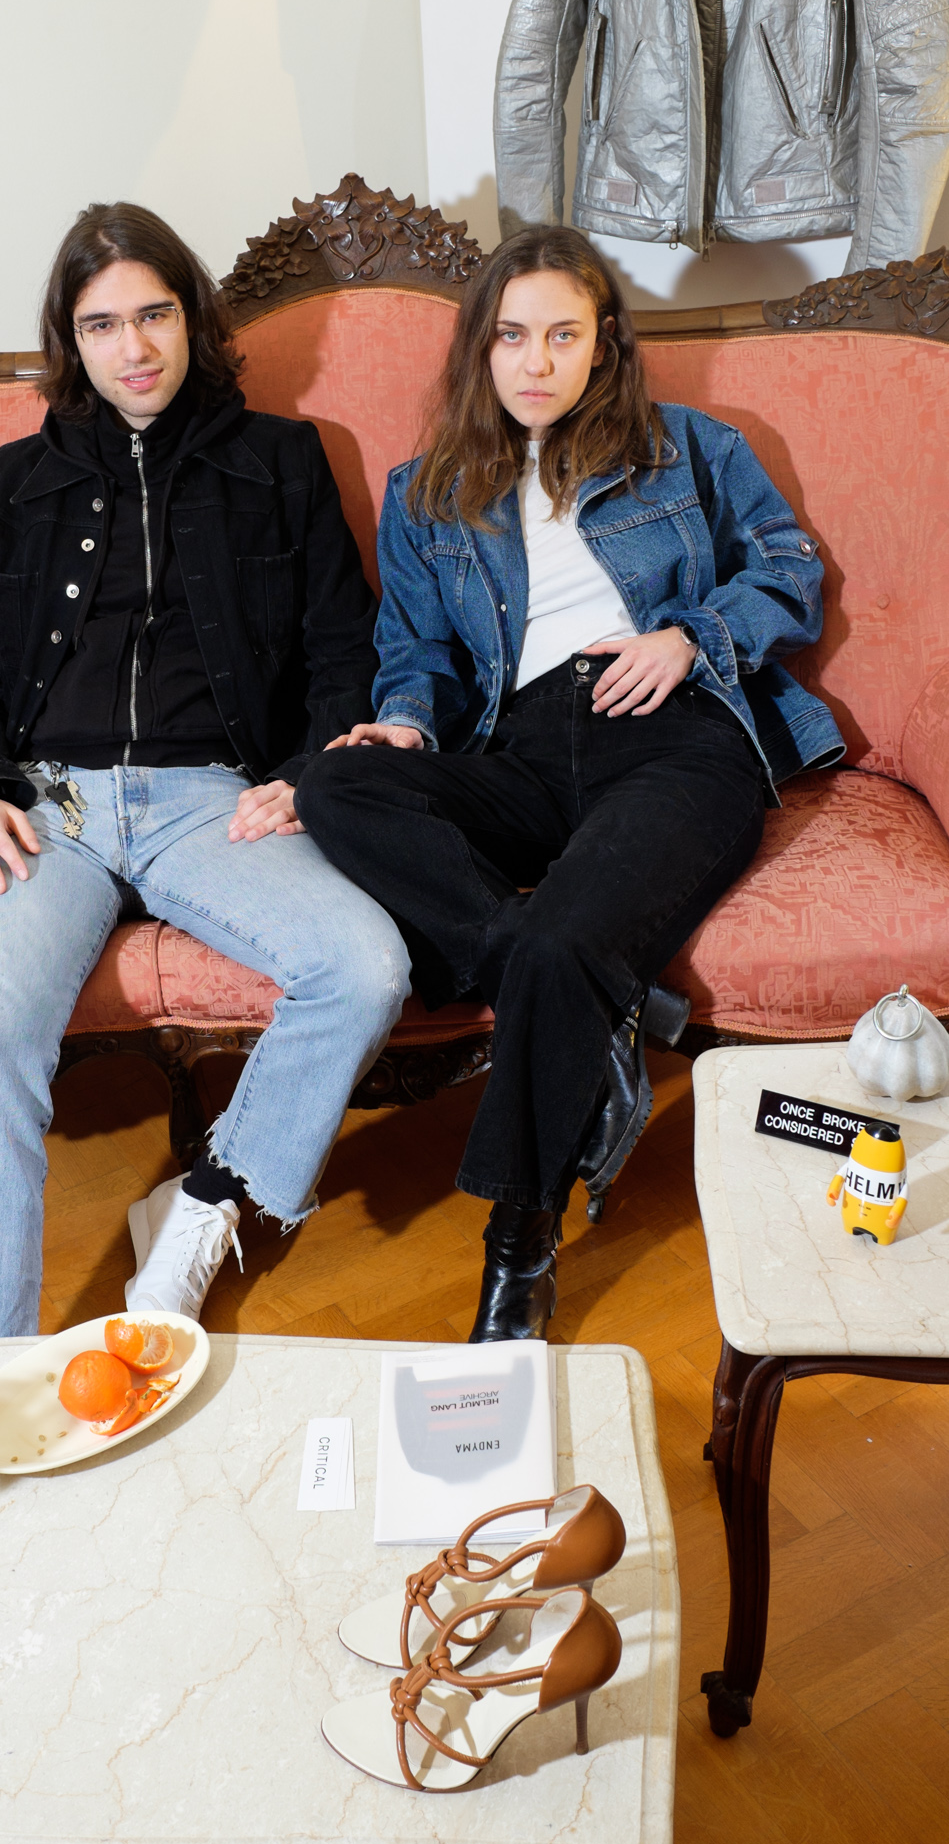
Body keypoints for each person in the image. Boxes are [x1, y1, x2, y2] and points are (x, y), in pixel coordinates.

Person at [294, 225, 842, 1344]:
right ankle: (613, 1002)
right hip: (524, 753)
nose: (535, 361)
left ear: (603, 344)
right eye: (510, 336)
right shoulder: (426, 494)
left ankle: (518, 1252)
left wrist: (689, 638)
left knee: (557, 944)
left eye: (561, 335)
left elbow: (789, 570)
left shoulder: (686, 448)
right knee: (335, 787)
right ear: (480, 350)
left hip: (674, 737)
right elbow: (415, 655)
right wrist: (405, 725)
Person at [0, 202, 410, 1340]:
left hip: (212, 802)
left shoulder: (282, 463)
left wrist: (307, 774)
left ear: (193, 318)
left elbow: (343, 649)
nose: (133, 348)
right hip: (48, 806)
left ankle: (201, 1209)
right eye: (102, 325)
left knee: (365, 966)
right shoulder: (5, 485)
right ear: (70, 339)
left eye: (154, 315)